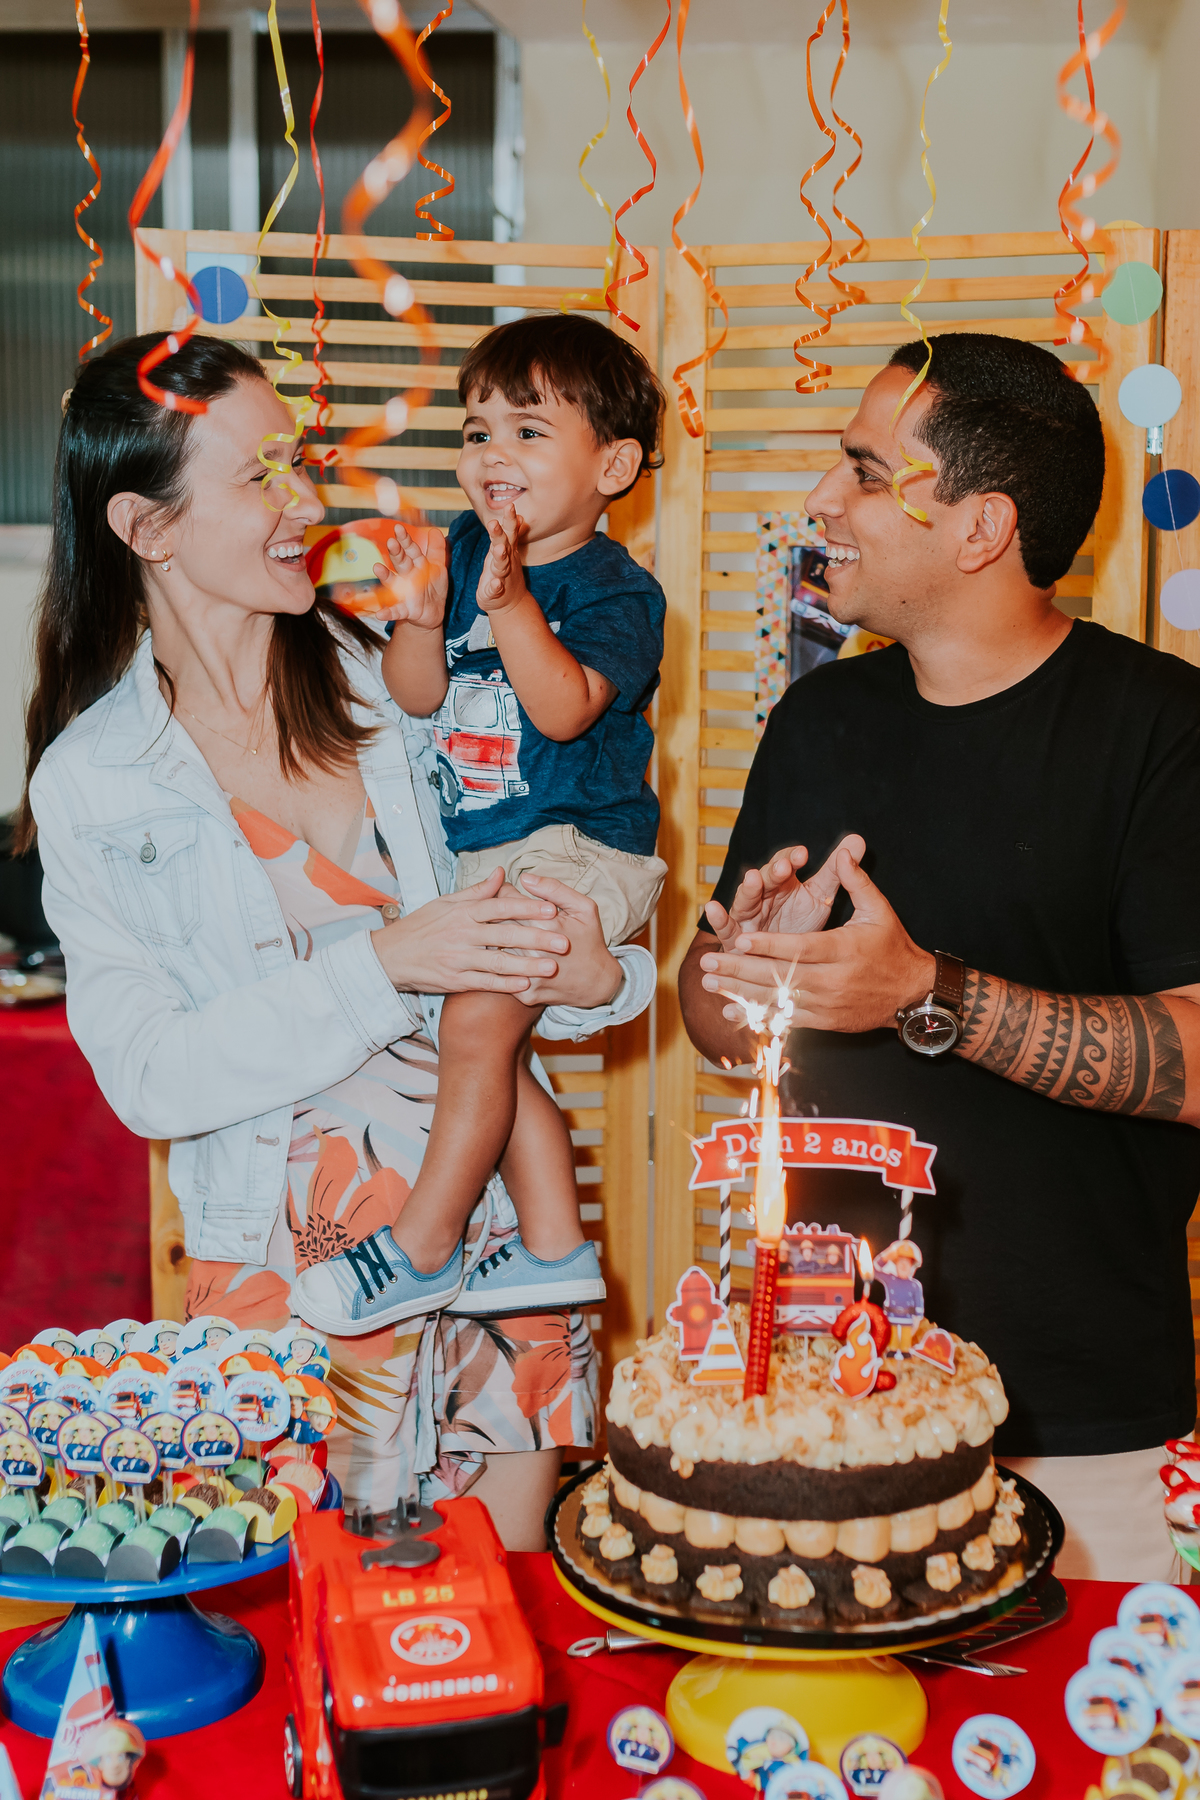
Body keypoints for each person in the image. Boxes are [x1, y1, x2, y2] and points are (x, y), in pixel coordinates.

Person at [21, 331, 654, 1545]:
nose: (304, 501)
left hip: (504, 1245)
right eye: (260, 475)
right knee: (331, 1635)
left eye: (296, 461)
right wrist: (383, 964)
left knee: (495, 1627)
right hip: (291, 1269)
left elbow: (548, 912)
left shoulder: (400, 684)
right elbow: (152, 1080)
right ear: (148, 531)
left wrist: (601, 974)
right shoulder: (95, 781)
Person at [679, 332, 1200, 1580]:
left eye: (864, 469)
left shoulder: (1165, 732)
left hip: (1083, 1430)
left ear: (980, 528)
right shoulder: (820, 718)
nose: (822, 501)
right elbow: (709, 1009)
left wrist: (927, 994)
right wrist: (746, 972)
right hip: (819, 1392)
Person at [297, 314, 667, 1333]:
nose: (493, 455)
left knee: (473, 1026)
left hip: (580, 848)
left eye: (529, 433)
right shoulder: (464, 547)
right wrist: (422, 617)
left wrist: (507, 605)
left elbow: (564, 708)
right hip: (492, 851)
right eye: (475, 433)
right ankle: (553, 1248)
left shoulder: (615, 590)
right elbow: (416, 697)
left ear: (616, 464)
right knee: (493, 1048)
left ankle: (421, 1246)